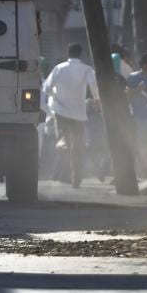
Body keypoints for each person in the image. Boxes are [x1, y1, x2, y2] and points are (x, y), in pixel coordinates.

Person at [42, 43, 99, 188]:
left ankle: (62, 174)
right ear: (81, 54)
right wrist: (97, 101)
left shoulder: (59, 68)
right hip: (79, 114)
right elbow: (94, 87)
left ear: (68, 53)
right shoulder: (86, 69)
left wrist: (56, 97)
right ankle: (76, 179)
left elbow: (46, 87)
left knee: (63, 142)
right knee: (78, 146)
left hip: (61, 112)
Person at [126, 53, 147, 179]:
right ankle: (146, 172)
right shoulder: (133, 78)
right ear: (144, 65)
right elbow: (127, 96)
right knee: (144, 145)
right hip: (139, 118)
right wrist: (137, 90)